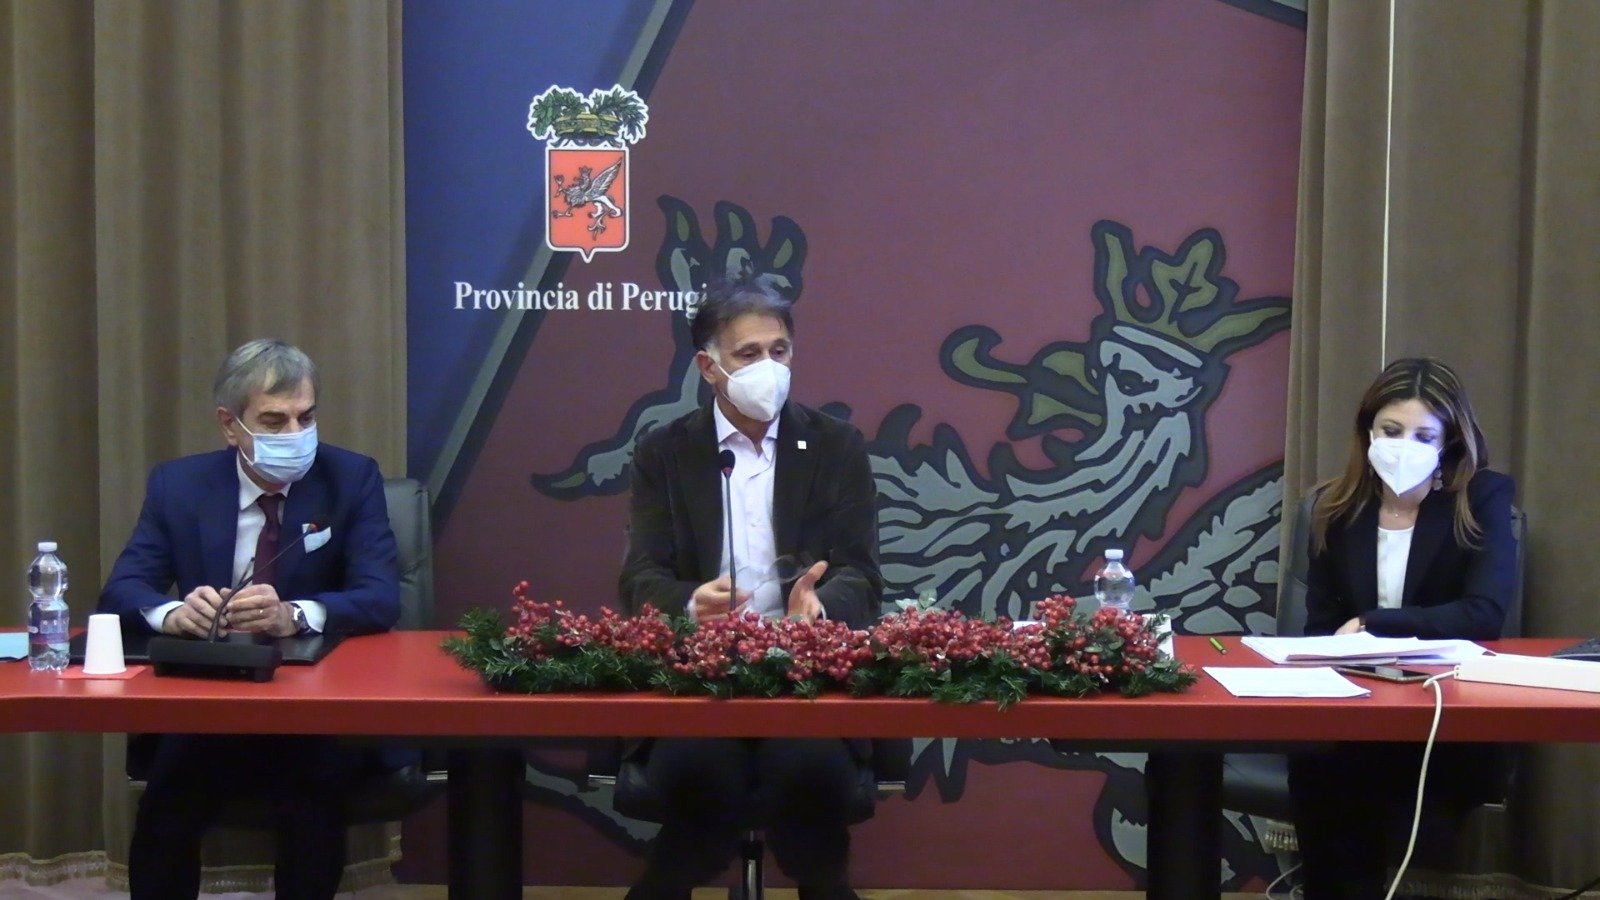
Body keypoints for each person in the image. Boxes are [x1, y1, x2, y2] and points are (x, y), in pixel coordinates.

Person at [99, 339, 401, 900]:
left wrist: (295, 614)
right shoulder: (178, 486)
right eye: (274, 420)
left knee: (313, 807)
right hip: (211, 702)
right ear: (230, 425)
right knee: (165, 812)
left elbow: (380, 596)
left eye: (306, 416)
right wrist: (173, 614)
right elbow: (121, 591)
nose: (296, 434)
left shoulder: (351, 478)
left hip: (310, 706)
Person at [618, 270, 882, 900]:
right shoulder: (665, 453)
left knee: (811, 779)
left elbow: (862, 575)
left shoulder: (835, 445)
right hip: (699, 680)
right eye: (748, 354)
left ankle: (824, 885)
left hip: (807, 679)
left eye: (779, 350)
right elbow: (640, 578)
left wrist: (819, 608)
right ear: (708, 367)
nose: (769, 367)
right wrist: (690, 604)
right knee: (699, 779)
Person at [1287, 357, 1517, 900]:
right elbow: (1321, 627)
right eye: (1391, 430)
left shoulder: (1481, 498)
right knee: (1323, 770)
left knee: (1356, 782)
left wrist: (1374, 622)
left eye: (1423, 435)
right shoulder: (1336, 508)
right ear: (1368, 431)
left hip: (1442, 711)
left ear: (1448, 441)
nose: (1403, 445)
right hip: (1355, 707)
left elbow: (1483, 613)